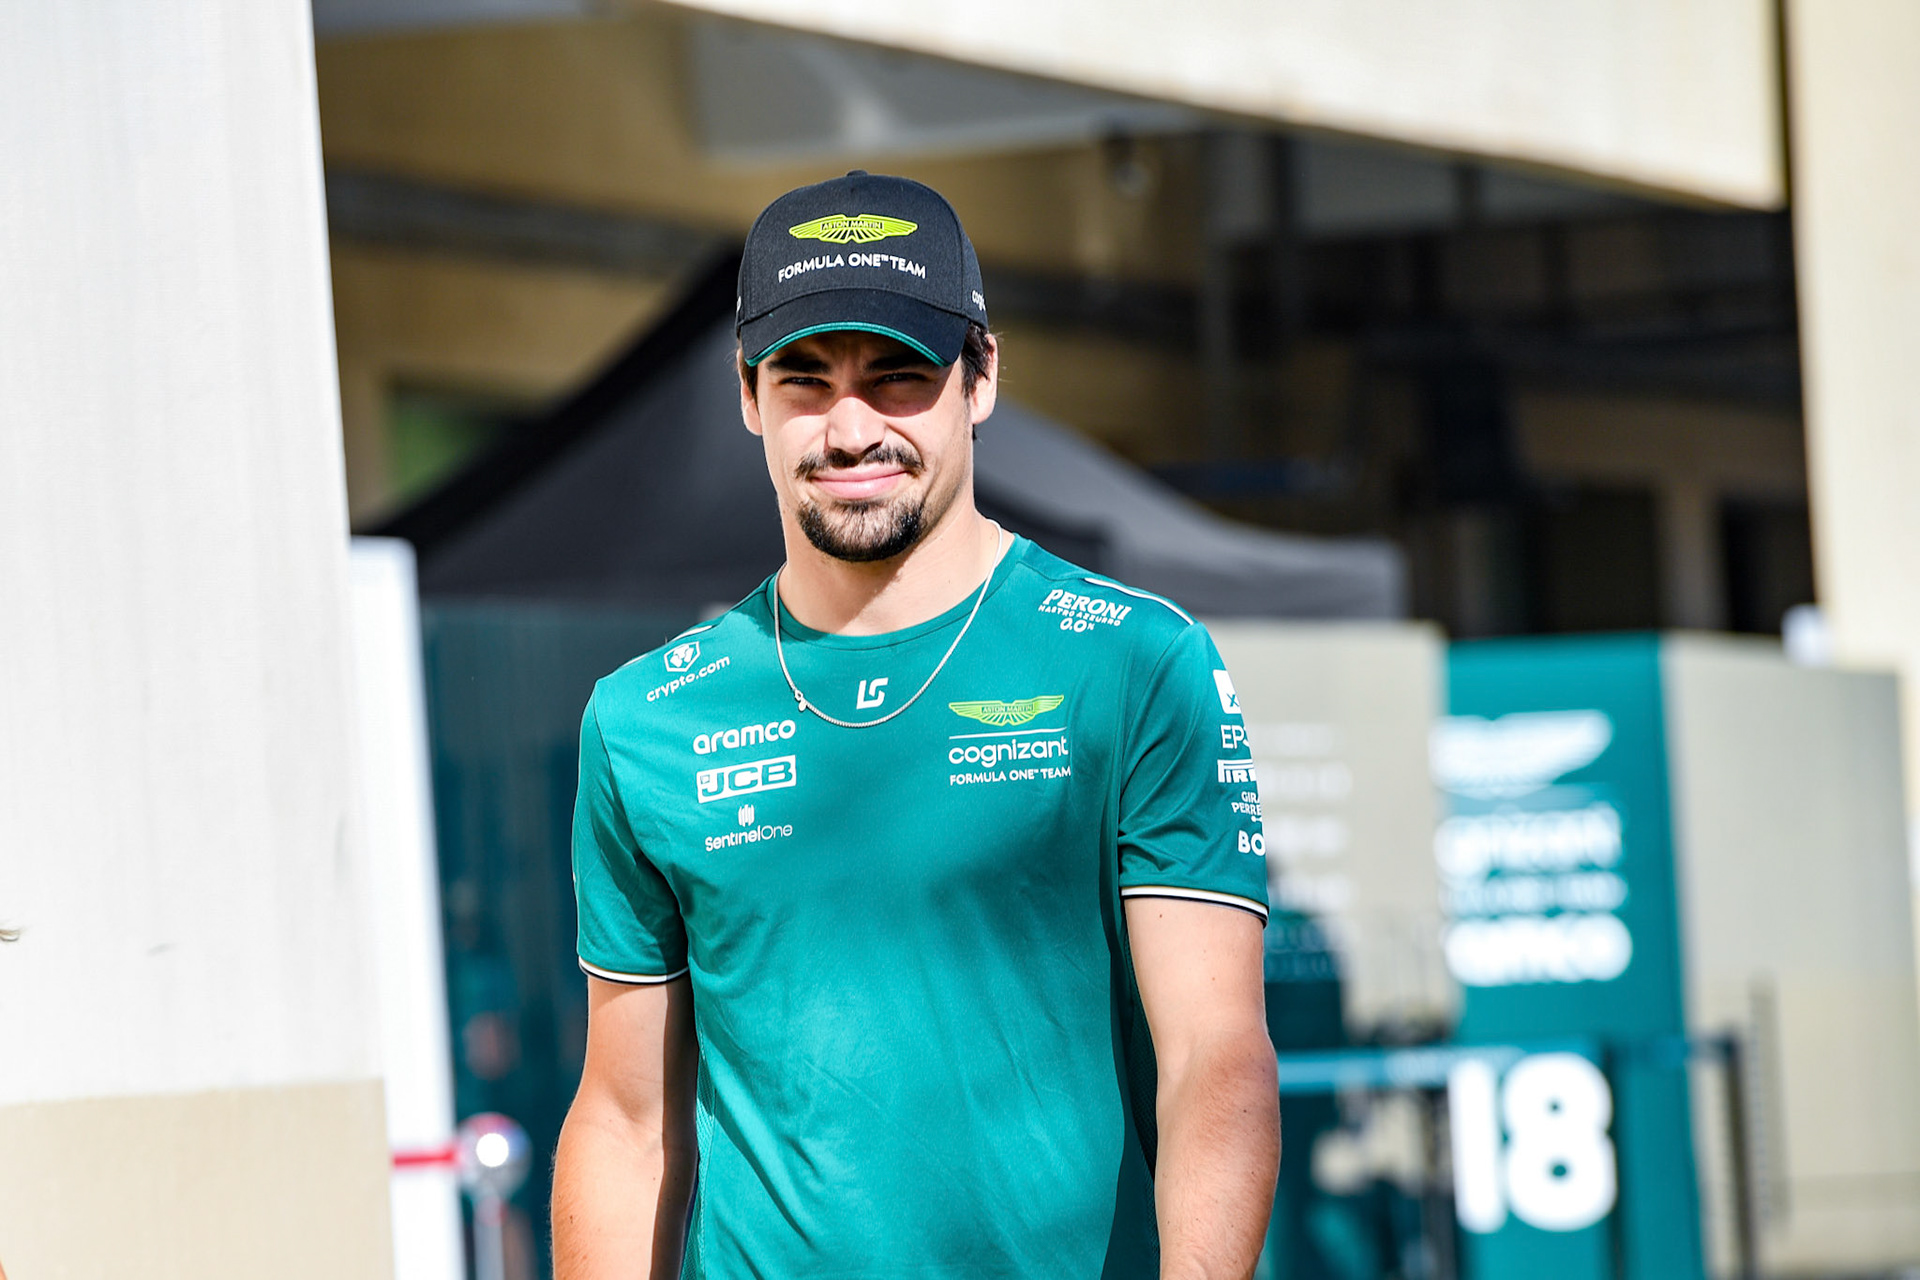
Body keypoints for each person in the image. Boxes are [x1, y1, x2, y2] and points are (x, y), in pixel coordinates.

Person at [552, 171, 1279, 1279]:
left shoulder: (1132, 660)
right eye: (805, 379)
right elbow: (625, 1114)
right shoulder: (647, 715)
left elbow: (1214, 1059)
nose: (851, 428)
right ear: (748, 396)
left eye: (897, 377)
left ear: (980, 377)